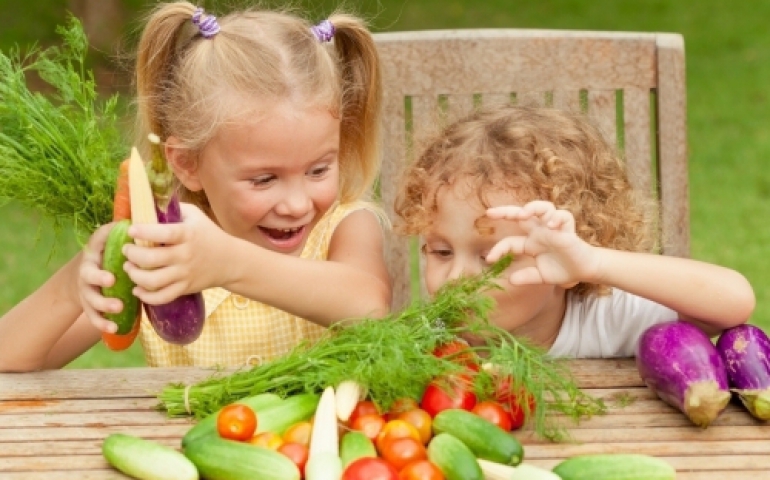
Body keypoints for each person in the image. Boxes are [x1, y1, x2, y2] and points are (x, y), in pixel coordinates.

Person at [0, 2, 390, 371]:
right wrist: (72, 287)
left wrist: (228, 264)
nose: (296, 203)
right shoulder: (159, 253)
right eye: (264, 179)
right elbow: (9, 359)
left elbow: (369, 307)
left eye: (318, 170)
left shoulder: (345, 225)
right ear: (187, 164)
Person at [394, 104, 755, 358]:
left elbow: (733, 302)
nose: (457, 277)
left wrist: (593, 263)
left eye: (491, 256)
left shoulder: (604, 317)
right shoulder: (428, 338)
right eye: (441, 252)